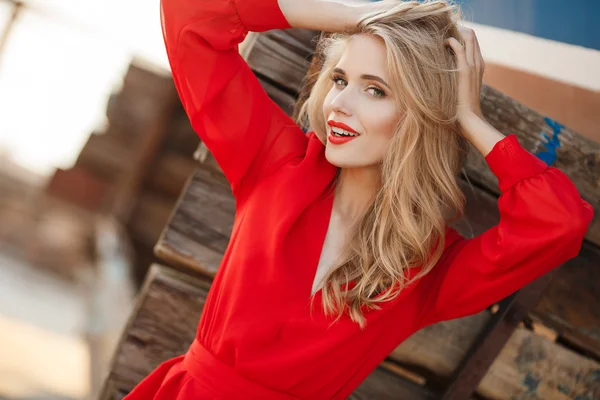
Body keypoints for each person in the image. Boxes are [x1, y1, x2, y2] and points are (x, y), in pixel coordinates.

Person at [124, 0, 594, 398]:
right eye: (341, 80)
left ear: (421, 116)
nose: (340, 104)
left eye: (375, 90)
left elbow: (559, 222)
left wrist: (468, 116)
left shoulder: (426, 267)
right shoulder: (276, 163)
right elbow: (189, 16)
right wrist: (354, 16)